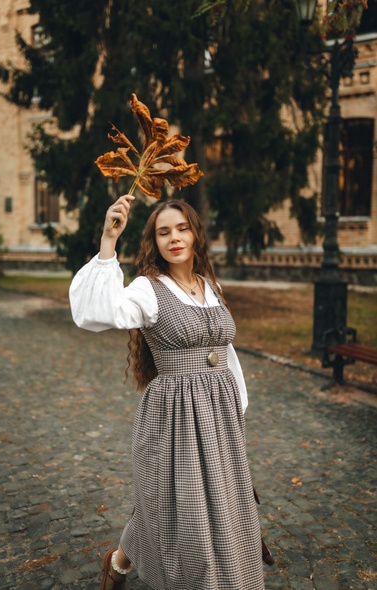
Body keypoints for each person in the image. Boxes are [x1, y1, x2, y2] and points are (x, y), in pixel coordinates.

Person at [69, 196, 266, 590]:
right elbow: (96, 311)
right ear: (154, 242)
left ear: (195, 234)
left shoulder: (211, 285)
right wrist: (109, 240)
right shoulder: (148, 288)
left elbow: (224, 353)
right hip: (174, 413)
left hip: (219, 412)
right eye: (163, 232)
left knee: (214, 499)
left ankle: (119, 563)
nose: (174, 238)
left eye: (181, 228)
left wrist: (237, 408)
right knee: (177, 504)